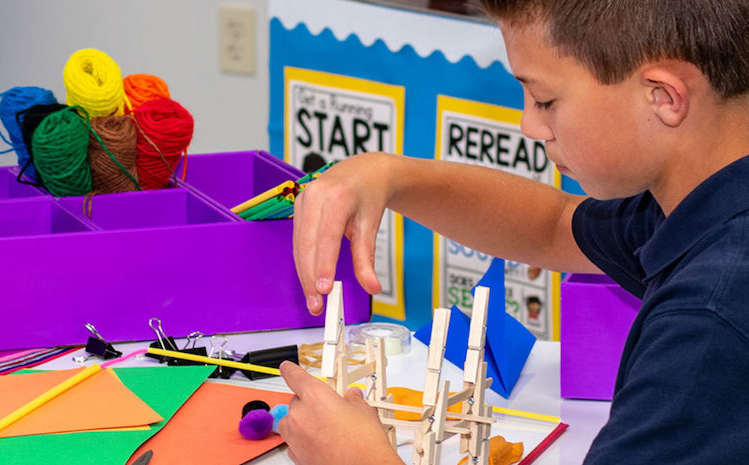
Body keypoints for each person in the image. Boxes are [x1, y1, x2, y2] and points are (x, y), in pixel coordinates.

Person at [277, 0, 749, 463]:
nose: (528, 125)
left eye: (545, 100)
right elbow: (553, 227)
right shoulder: (707, 199)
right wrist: (388, 175)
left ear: (663, 97)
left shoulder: (708, 321)